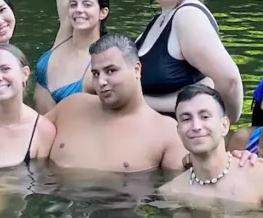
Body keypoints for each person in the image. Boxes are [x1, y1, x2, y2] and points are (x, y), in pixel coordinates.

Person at [46, 34, 188, 173]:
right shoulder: (70, 107)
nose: (101, 81)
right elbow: (27, 129)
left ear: (136, 69)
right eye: (96, 74)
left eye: (110, 71)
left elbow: (180, 189)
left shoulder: (167, 132)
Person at [135, 0, 243, 121]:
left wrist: (226, 124)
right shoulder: (162, 17)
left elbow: (230, 81)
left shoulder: (188, 17)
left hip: (182, 139)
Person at [160, 84, 263, 218]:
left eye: (205, 116)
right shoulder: (172, 192)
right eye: (186, 119)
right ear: (178, 131)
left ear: (224, 125)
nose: (196, 126)